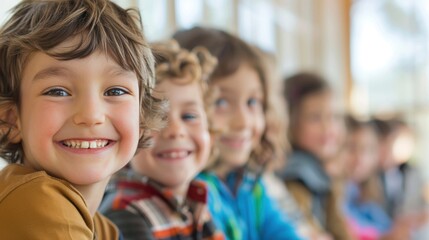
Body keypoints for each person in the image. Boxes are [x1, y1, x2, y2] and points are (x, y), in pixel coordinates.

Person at [0, 0, 166, 239]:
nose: (91, 116)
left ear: (141, 118)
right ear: (11, 119)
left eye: (115, 91)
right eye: (57, 91)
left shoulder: (102, 228)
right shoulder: (34, 203)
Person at [174, 27, 302, 240]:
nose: (243, 122)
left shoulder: (250, 184)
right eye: (221, 102)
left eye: (252, 102)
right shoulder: (196, 194)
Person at [99, 40, 224, 240]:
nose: (175, 131)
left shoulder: (196, 201)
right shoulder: (125, 215)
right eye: (157, 117)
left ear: (209, 129)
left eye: (189, 116)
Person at [277, 72, 353, 239]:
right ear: (290, 121)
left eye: (334, 117)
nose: (328, 127)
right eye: (315, 118)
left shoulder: (318, 170)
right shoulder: (296, 175)